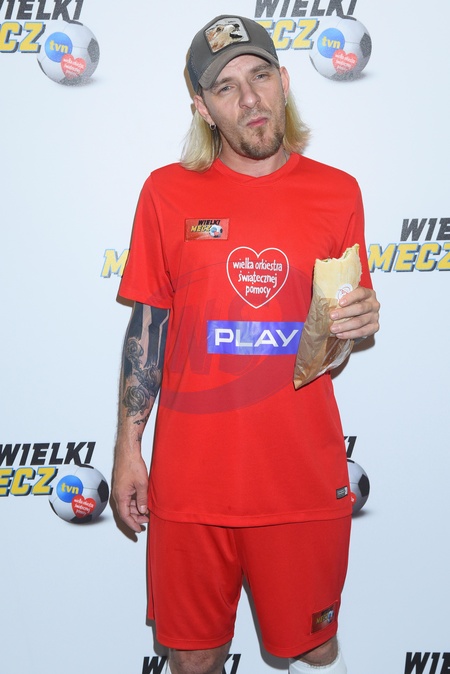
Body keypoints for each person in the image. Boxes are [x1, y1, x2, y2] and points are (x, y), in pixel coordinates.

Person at [112, 15, 380, 674]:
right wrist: (127, 447)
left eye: (260, 75)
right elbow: (147, 329)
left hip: (300, 480)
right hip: (191, 485)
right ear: (203, 108)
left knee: (315, 649)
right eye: (226, 87)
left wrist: (353, 328)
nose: (250, 99)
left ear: (284, 81)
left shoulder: (337, 192)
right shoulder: (166, 193)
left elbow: (330, 346)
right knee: (193, 659)